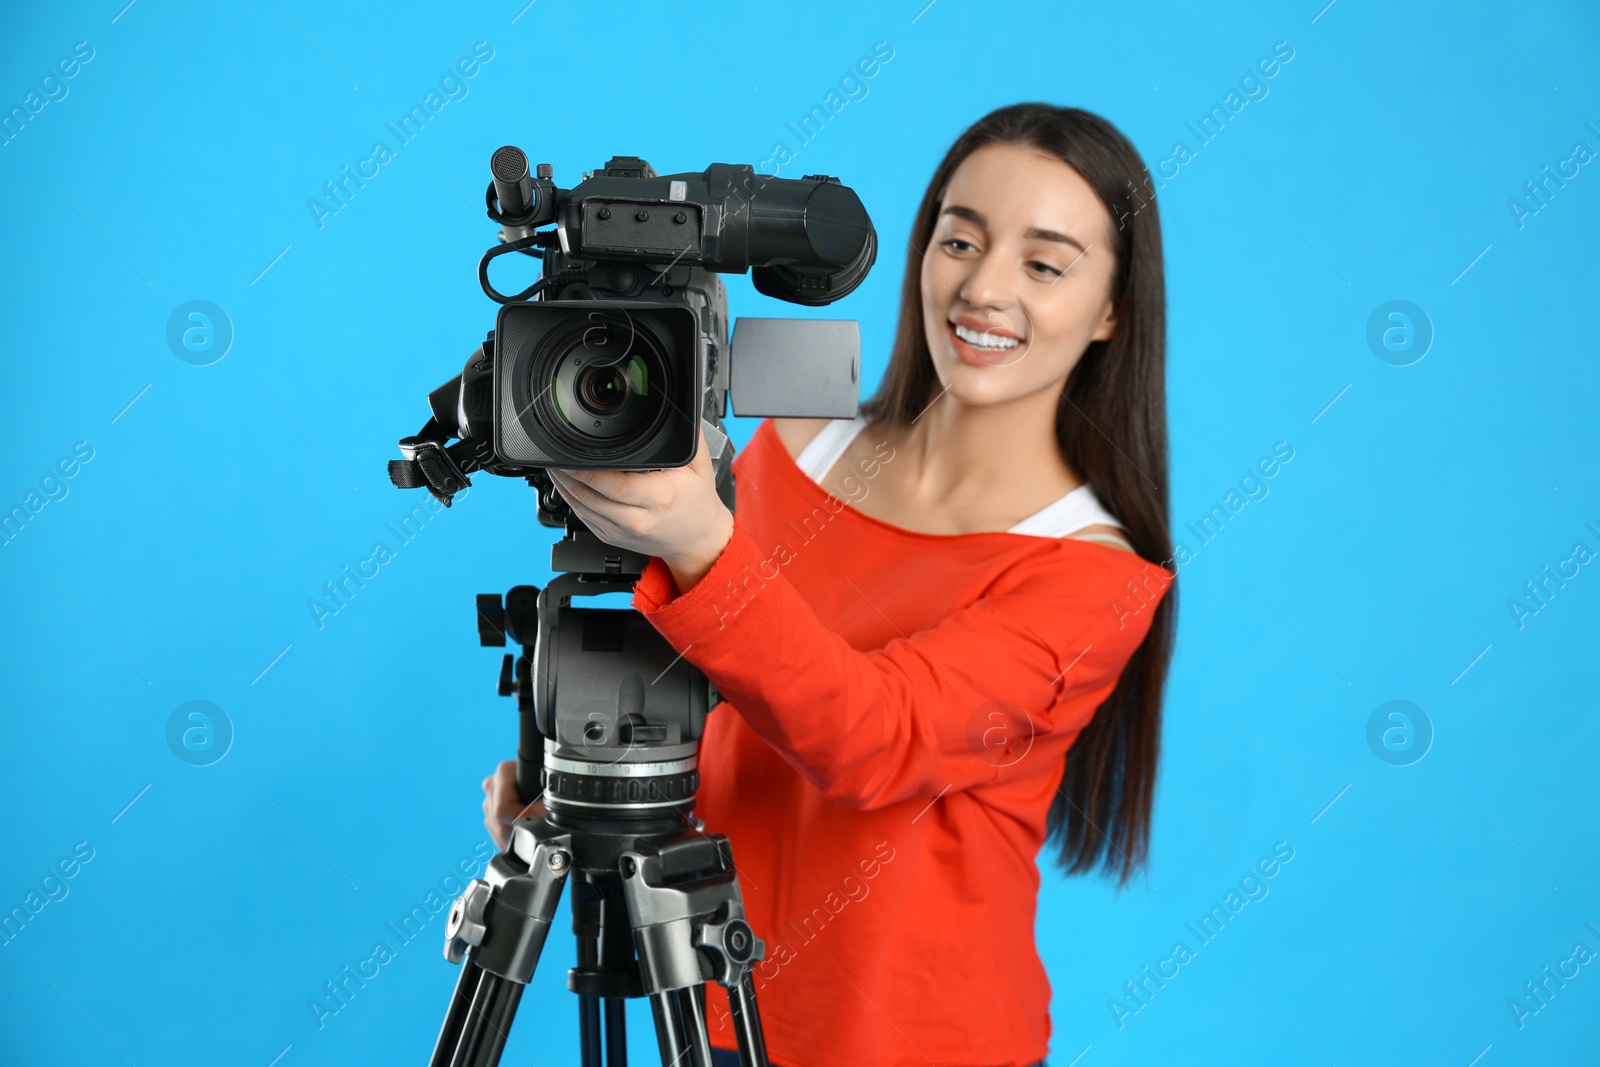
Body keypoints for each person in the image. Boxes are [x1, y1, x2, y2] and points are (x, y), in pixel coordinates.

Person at [482, 102, 1177, 1067]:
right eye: (959, 239)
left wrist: (701, 541)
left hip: (899, 1040)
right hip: (711, 996)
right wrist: (576, 790)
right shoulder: (811, 413)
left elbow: (872, 739)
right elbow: (715, 660)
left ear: (1113, 309)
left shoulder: (1095, 574)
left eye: (1044, 263)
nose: (983, 288)